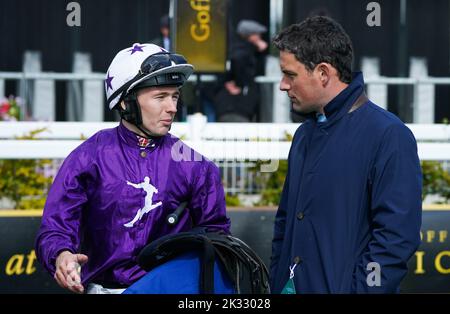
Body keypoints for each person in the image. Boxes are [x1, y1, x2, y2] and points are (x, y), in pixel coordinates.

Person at [35, 43, 231, 294]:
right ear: (125, 102)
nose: (172, 107)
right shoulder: (87, 158)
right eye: (160, 97)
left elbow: (217, 239)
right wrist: (61, 255)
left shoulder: (197, 167)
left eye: (175, 96)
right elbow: (56, 226)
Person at [270, 16, 422, 293]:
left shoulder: (389, 135)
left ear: (324, 73)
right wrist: (277, 282)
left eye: (290, 75)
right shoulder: (304, 135)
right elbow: (285, 225)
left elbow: (395, 240)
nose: (282, 85)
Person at [214, 19, 268, 122]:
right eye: (257, 34)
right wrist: (239, 84)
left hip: (229, 104)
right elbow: (240, 63)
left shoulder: (233, 47)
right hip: (237, 104)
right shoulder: (243, 50)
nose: (259, 37)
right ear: (250, 35)